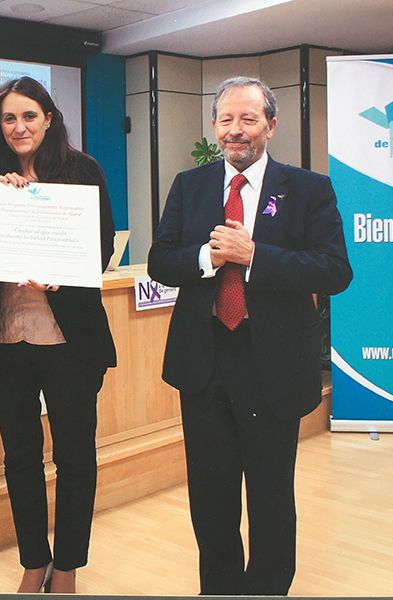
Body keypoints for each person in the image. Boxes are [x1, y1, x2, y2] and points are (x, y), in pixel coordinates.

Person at [148, 77, 352, 595]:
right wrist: (206, 258)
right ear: (214, 126)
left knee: (270, 499)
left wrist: (254, 256)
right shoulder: (188, 185)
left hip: (274, 368)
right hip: (204, 363)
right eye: (226, 120)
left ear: (271, 125)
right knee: (210, 499)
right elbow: (161, 260)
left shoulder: (309, 188)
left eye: (248, 119)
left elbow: (333, 271)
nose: (235, 131)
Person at [0, 76, 116, 594]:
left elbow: (98, 251)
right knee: (20, 458)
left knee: (75, 457)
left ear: (49, 118)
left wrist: (63, 273)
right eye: (9, 118)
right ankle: (34, 560)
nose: (19, 126)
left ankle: (69, 565)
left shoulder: (82, 171)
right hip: (5, 339)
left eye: (29, 115)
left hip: (68, 340)